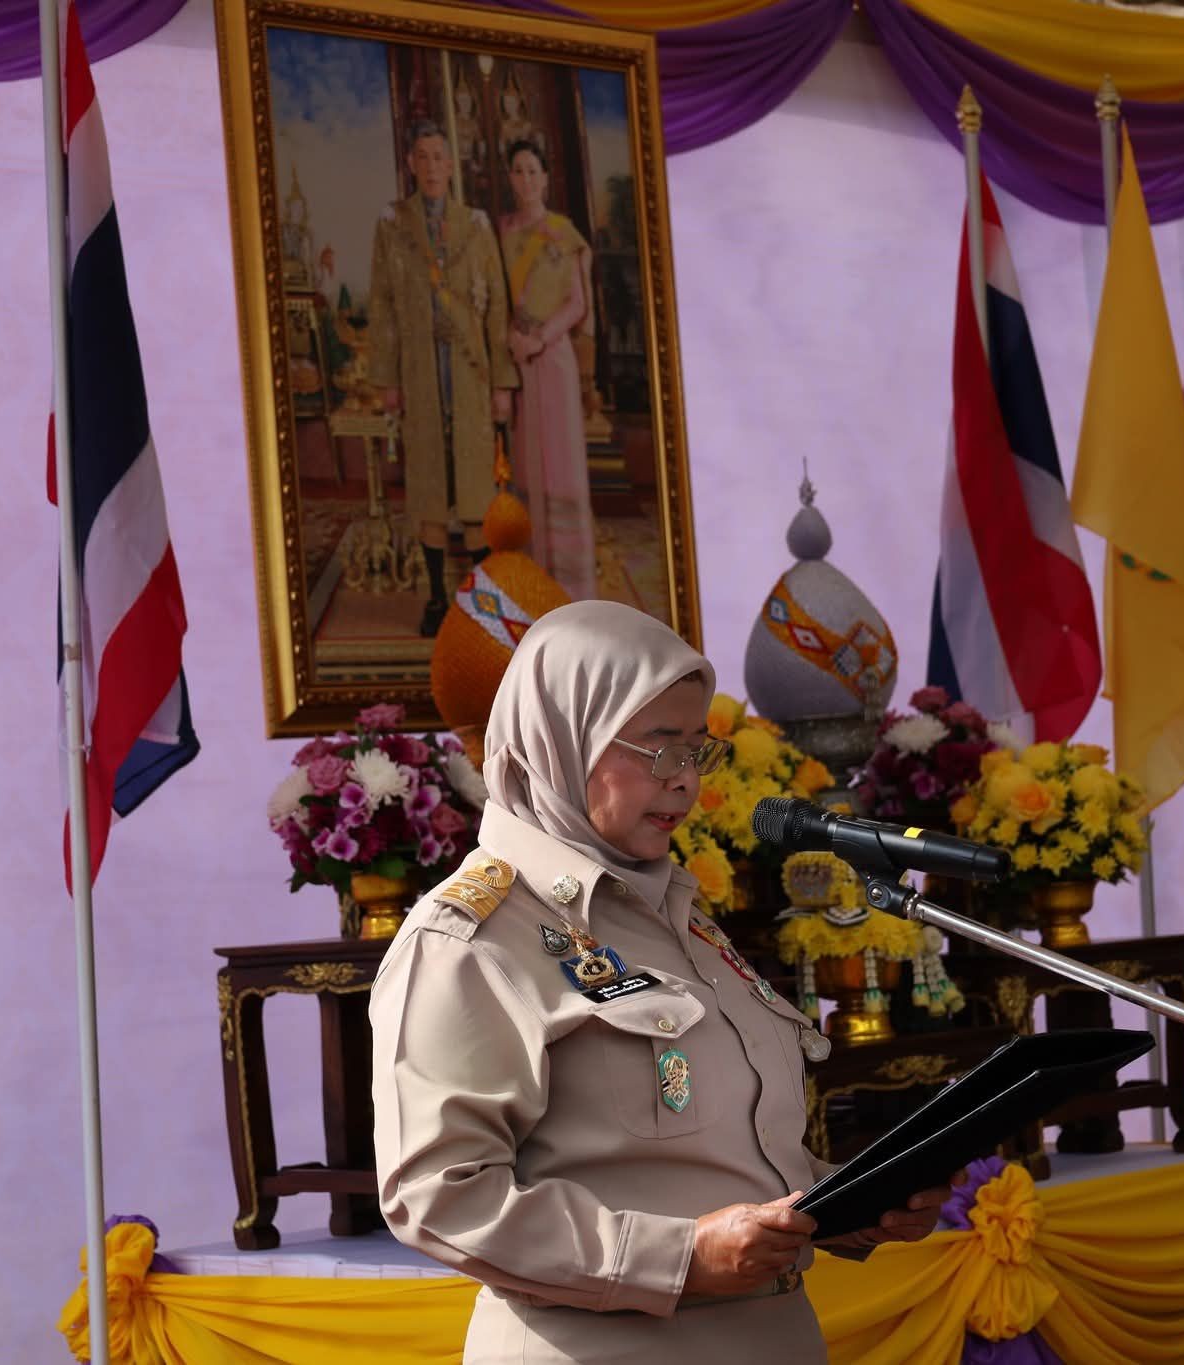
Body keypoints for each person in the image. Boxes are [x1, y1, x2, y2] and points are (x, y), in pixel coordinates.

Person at [371, 600, 948, 1363]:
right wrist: (678, 1257)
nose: (685, 779)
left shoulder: (676, 913)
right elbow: (438, 1196)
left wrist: (846, 1202)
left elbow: (716, 1153)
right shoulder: (469, 938)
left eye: (697, 749)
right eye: (659, 748)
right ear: (563, 738)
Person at [368, 118, 521, 637]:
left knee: (476, 487)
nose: (431, 167)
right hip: (419, 373)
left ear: (451, 166)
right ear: (411, 165)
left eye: (439, 157)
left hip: (471, 372)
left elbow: (496, 307)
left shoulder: (475, 226)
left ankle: (481, 603)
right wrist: (387, 377)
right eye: (422, 157)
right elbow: (383, 304)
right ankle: (436, 597)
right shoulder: (392, 225)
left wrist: (502, 382)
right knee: (430, 484)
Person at [498, 141, 597, 601]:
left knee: (560, 463)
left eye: (533, 170)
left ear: (545, 177)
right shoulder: (501, 232)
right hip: (515, 360)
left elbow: (576, 303)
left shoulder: (562, 233)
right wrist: (511, 338)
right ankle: (531, 573)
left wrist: (540, 339)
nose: (526, 179)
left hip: (552, 359)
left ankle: (570, 583)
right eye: (518, 171)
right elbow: (493, 293)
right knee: (525, 463)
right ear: (510, 178)